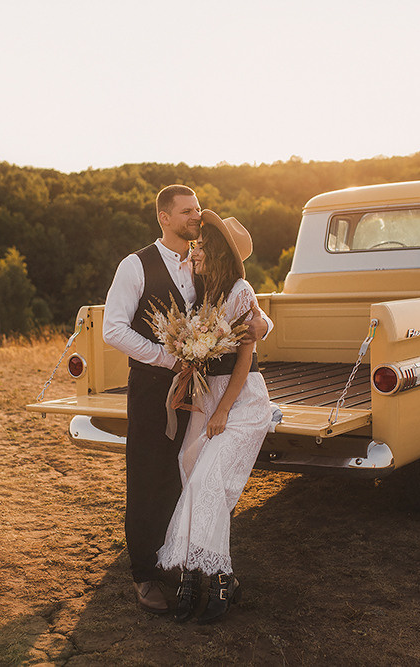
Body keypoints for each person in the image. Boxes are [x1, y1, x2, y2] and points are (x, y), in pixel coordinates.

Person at [103, 186, 271, 615]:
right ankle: (144, 575)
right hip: (151, 388)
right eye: (187, 211)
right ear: (164, 217)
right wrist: (169, 358)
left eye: (198, 209)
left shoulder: (201, 267)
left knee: (184, 476)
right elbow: (114, 330)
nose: (196, 216)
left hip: (196, 394)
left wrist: (261, 322)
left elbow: (234, 302)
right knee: (146, 478)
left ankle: (177, 561)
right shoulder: (135, 265)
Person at [156, 210, 273, 624]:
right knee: (190, 467)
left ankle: (204, 578)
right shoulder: (200, 295)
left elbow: (245, 357)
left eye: (202, 247)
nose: (195, 252)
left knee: (208, 480)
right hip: (206, 398)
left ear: (219, 251)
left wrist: (224, 409)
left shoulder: (241, 291)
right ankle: (212, 577)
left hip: (241, 401)